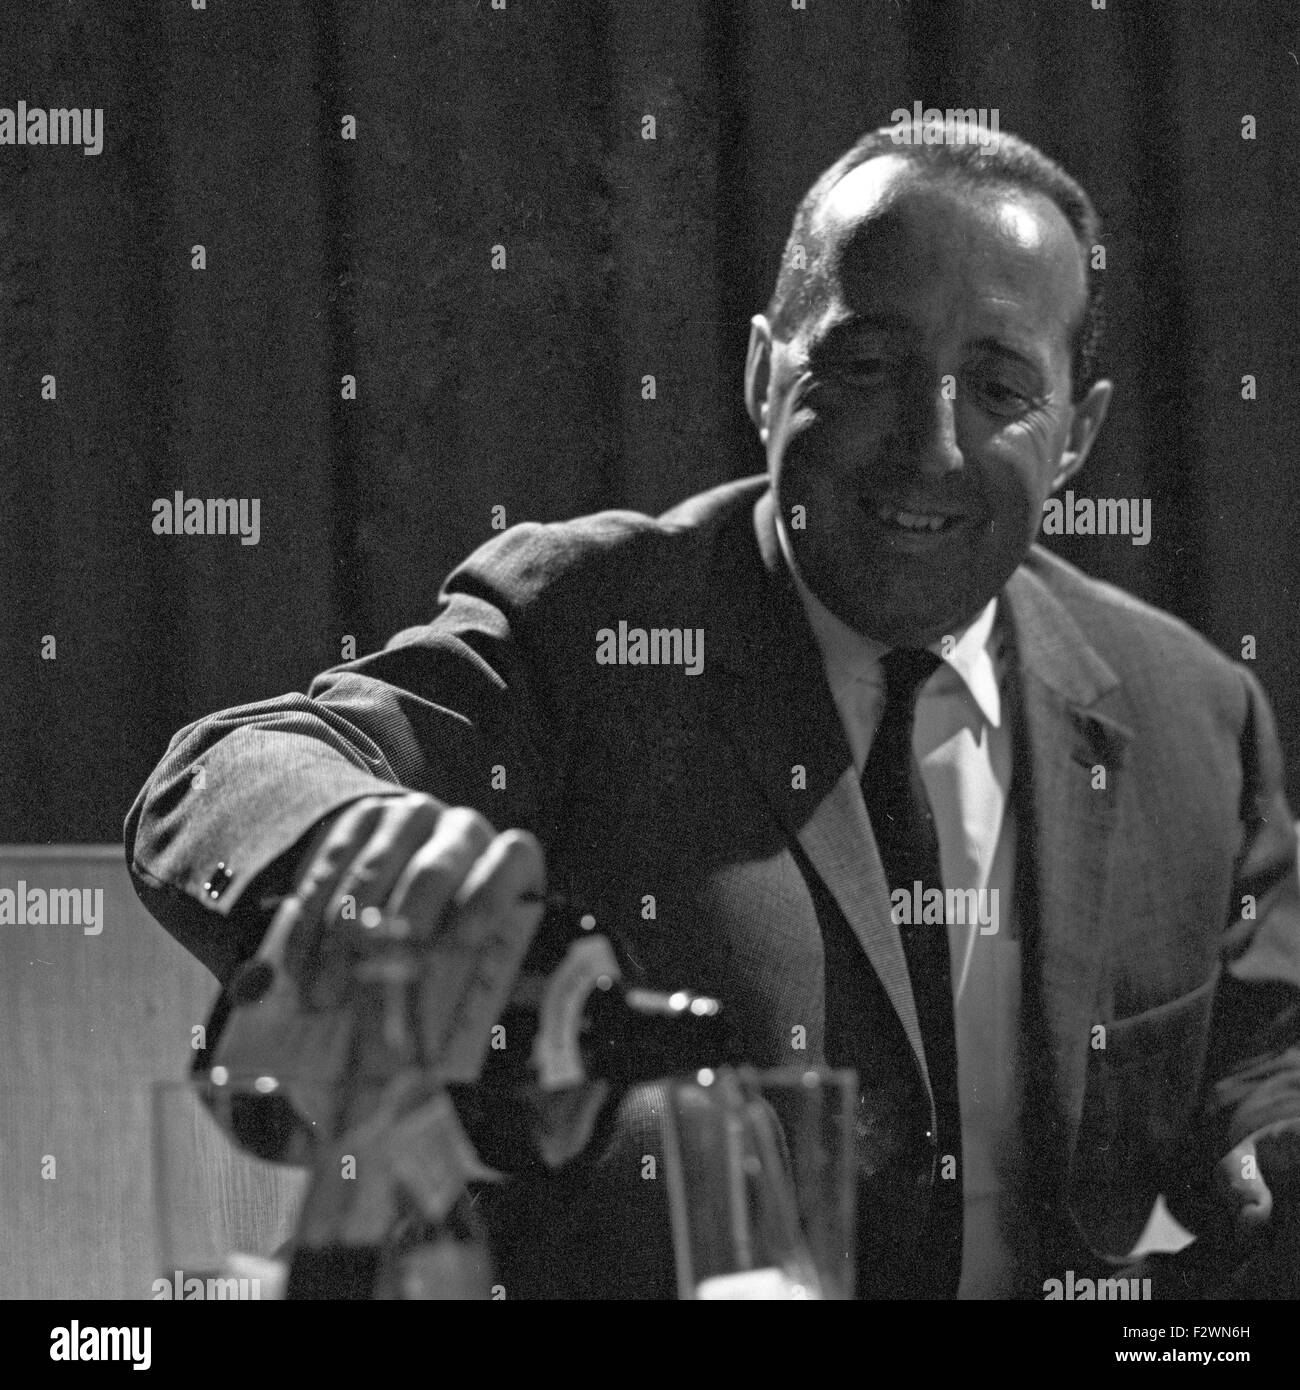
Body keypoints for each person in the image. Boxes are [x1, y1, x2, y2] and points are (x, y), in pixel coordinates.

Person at [125, 118, 1300, 1300]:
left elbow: (1267, 1056)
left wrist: (1269, 1138)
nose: (929, 448)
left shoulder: (1194, 711)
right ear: (761, 373)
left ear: (1077, 437)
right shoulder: (583, 620)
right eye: (867, 365)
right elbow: (227, 770)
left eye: (999, 388)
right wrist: (357, 858)